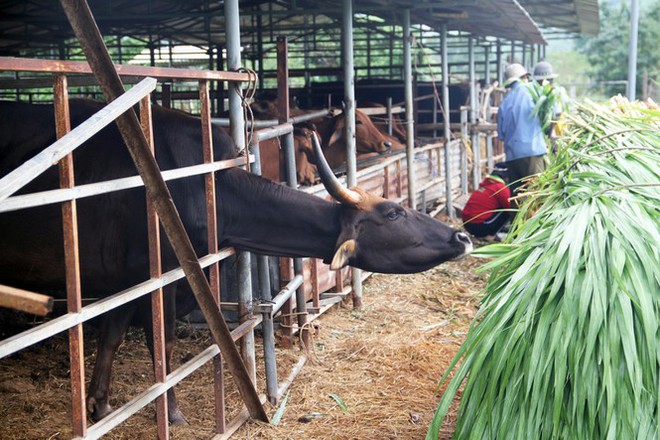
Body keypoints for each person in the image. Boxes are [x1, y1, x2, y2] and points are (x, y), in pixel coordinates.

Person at [497, 63, 547, 197]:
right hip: (532, 152)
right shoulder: (533, 91)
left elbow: (501, 136)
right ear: (525, 76)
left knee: (517, 197)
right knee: (536, 194)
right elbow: (552, 112)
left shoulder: (504, 103)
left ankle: (517, 219)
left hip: (512, 156)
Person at [462, 169, 511, 240]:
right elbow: (510, 206)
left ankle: (485, 234)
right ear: (505, 177)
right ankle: (491, 235)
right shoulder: (500, 187)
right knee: (508, 209)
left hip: (467, 225)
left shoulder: (486, 185)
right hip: (480, 226)